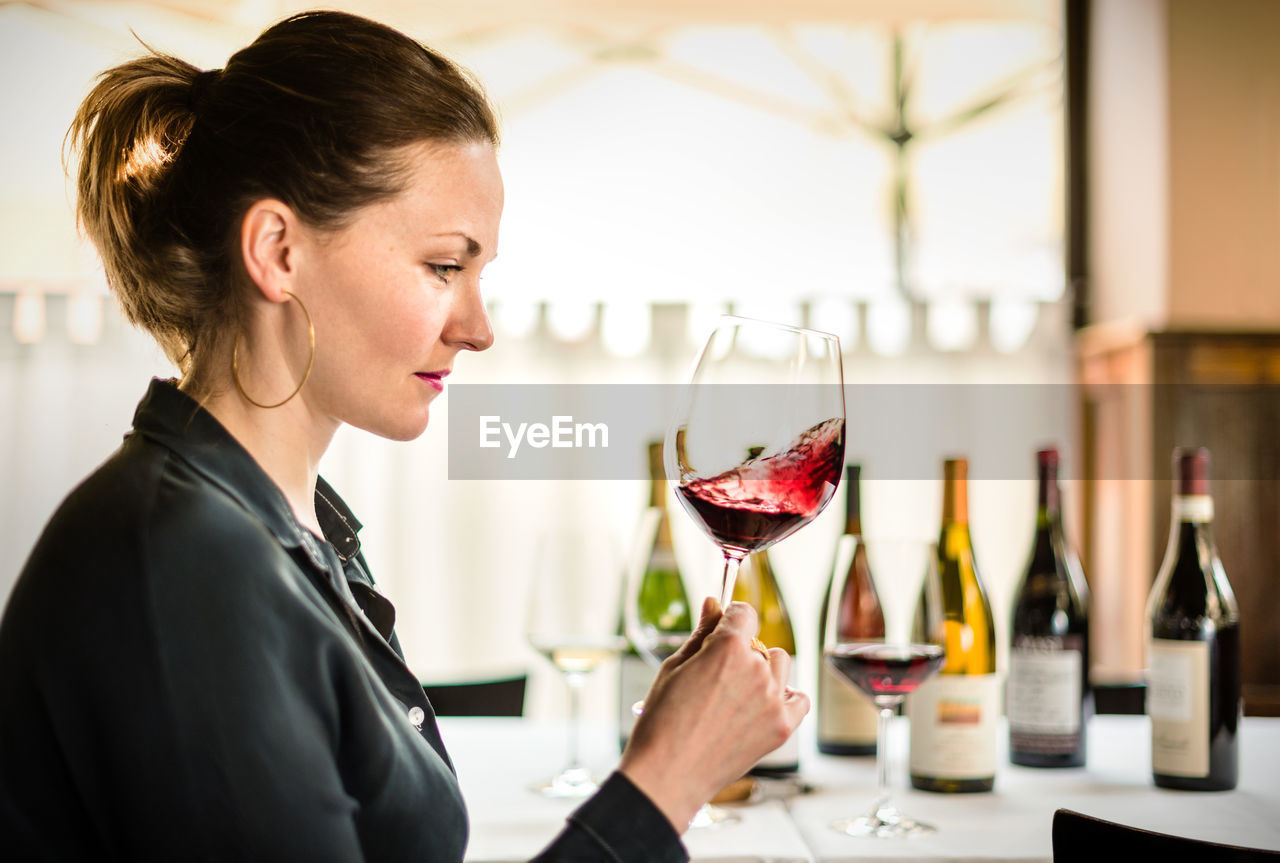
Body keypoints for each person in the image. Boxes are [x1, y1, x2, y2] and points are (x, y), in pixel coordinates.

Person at [0, 10, 809, 862]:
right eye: (442, 267)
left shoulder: (292, 530)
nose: (479, 327)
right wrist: (667, 778)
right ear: (277, 251)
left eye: (479, 274)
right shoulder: (179, 560)